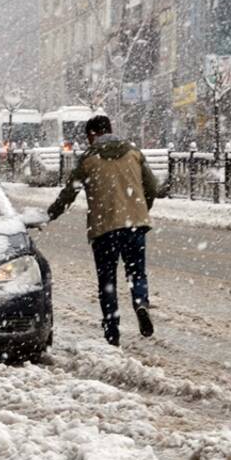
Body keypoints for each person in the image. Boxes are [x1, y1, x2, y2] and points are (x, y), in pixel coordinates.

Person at [46, 114, 158, 347]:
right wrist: (141, 209)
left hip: (104, 228)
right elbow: (152, 186)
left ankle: (112, 332)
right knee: (137, 273)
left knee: (107, 281)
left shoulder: (88, 159)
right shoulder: (133, 152)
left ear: (92, 135)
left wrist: (51, 214)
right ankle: (140, 303)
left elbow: (70, 193)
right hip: (134, 224)